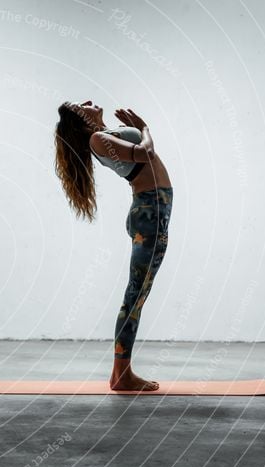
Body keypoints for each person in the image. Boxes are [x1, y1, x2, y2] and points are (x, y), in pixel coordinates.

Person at [54, 100, 174, 391]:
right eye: (81, 105)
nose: (90, 103)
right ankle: (121, 375)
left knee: (137, 293)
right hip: (150, 214)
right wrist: (144, 128)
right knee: (135, 295)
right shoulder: (97, 139)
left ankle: (122, 373)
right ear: (81, 121)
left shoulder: (103, 135)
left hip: (151, 212)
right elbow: (145, 153)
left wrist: (134, 129)